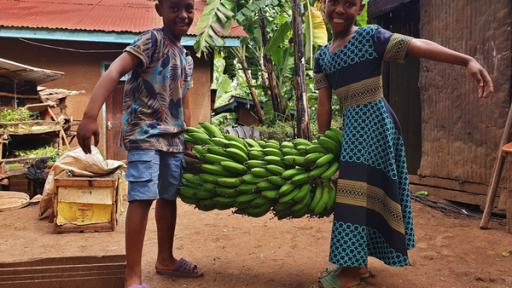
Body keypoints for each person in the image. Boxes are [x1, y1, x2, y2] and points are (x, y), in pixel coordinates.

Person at [314, 0, 493, 287]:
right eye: (334, 1)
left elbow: (416, 44)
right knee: (359, 192)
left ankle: (349, 272)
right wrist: (322, 143)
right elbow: (324, 104)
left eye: (349, 4)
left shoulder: (370, 36)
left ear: (359, 8)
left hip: (374, 121)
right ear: (324, 4)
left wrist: (466, 60)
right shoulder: (322, 56)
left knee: (353, 193)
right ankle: (356, 265)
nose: (339, 9)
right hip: (353, 127)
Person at [76, 0, 203, 287]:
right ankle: (132, 277)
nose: (182, 15)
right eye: (174, 8)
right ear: (159, 9)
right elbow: (113, 72)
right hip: (145, 135)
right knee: (142, 197)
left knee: (168, 198)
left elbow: (185, 101)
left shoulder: (186, 57)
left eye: (188, 8)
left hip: (173, 139)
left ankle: (166, 260)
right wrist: (89, 116)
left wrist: (189, 138)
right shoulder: (151, 41)